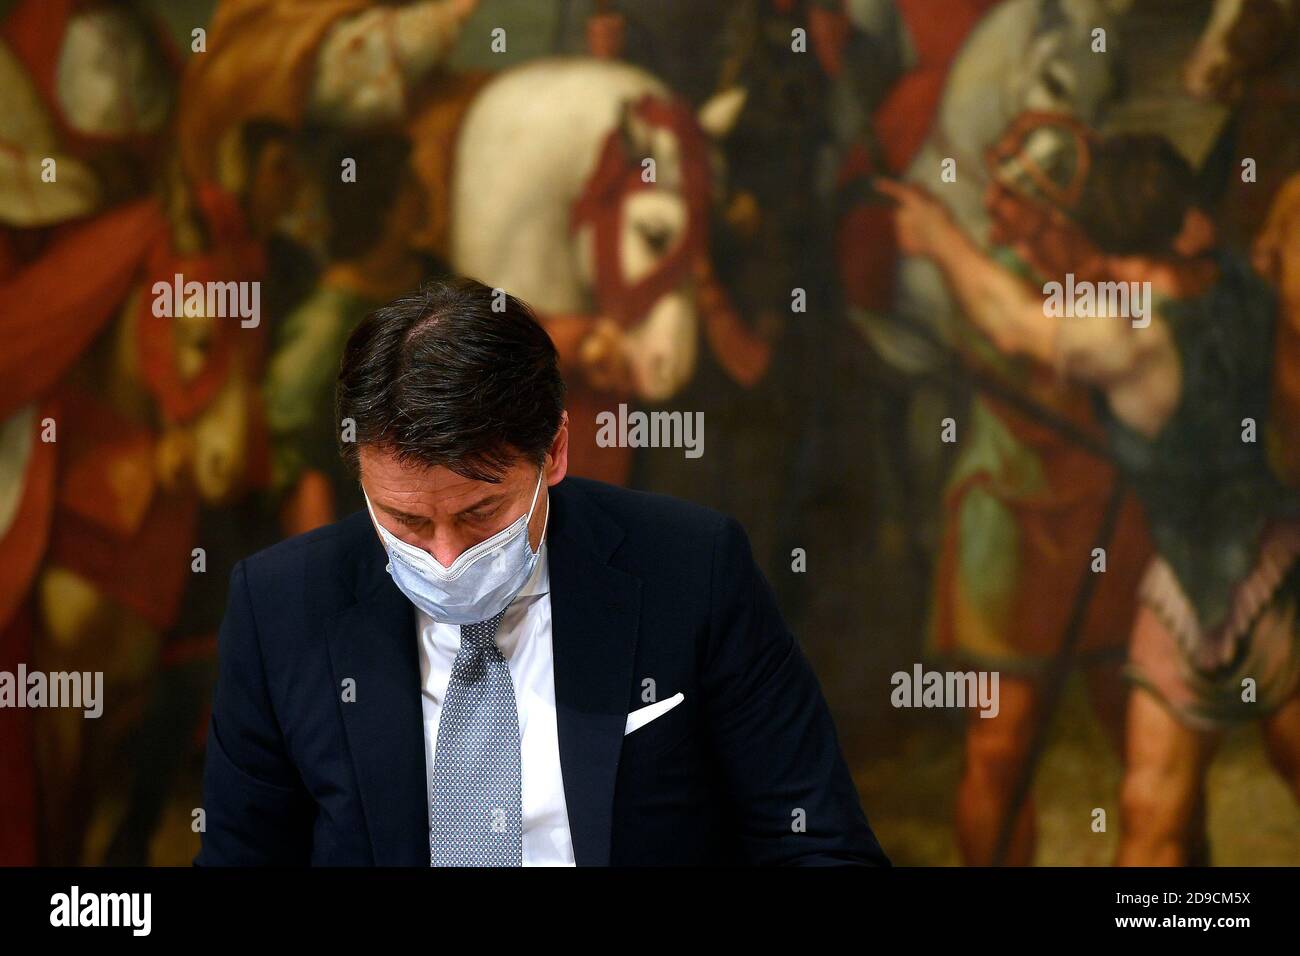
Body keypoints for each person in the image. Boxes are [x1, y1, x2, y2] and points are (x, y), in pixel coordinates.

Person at [196, 277, 889, 866]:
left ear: (554, 451)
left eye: (479, 514)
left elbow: (818, 843)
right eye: (405, 521)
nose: (443, 557)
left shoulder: (693, 570)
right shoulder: (281, 607)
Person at [881, 129, 1300, 865]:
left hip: (1258, 581)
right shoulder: (1231, 276)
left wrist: (942, 240)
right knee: (1149, 811)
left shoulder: (1129, 333)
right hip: (1200, 590)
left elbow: (1014, 324)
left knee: (1171, 811)